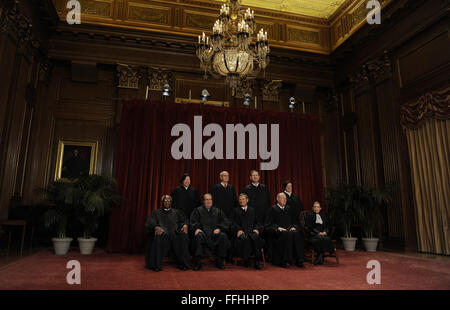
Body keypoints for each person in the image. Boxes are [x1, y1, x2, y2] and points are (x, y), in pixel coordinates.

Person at [145, 195, 192, 272]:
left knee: (183, 236)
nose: (167, 202)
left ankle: (183, 264)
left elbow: (184, 220)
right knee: (158, 236)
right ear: (162, 202)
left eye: (169, 201)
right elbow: (150, 223)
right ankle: (156, 265)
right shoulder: (156, 212)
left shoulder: (177, 212)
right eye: (165, 201)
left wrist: (185, 225)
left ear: (171, 202)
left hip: (175, 233)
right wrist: (156, 227)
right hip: (163, 234)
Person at [190, 193, 231, 270]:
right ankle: (198, 262)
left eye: (210, 199)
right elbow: (193, 222)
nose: (208, 201)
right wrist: (197, 229)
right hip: (203, 234)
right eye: (206, 199)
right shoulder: (198, 210)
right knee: (198, 236)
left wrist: (220, 229)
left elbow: (225, 222)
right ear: (203, 201)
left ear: (212, 201)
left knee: (223, 236)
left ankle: (219, 261)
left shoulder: (218, 211)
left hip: (215, 235)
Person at [265, 193, 305, 268]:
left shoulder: (289, 209)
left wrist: (293, 227)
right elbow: (268, 225)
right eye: (282, 198)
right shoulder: (273, 209)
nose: (284, 200)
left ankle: (299, 260)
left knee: (296, 233)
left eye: (285, 199)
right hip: (278, 233)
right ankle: (285, 260)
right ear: (277, 199)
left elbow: (295, 222)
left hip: (289, 230)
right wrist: (277, 228)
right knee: (287, 234)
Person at [230, 193, 265, 269]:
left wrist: (256, 229)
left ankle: (257, 261)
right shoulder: (235, 211)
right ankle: (246, 259)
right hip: (242, 232)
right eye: (240, 199)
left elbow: (258, 222)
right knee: (245, 239)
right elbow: (233, 223)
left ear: (247, 200)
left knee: (255, 237)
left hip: (251, 232)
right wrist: (238, 230)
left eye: (243, 199)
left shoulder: (252, 210)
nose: (241, 201)